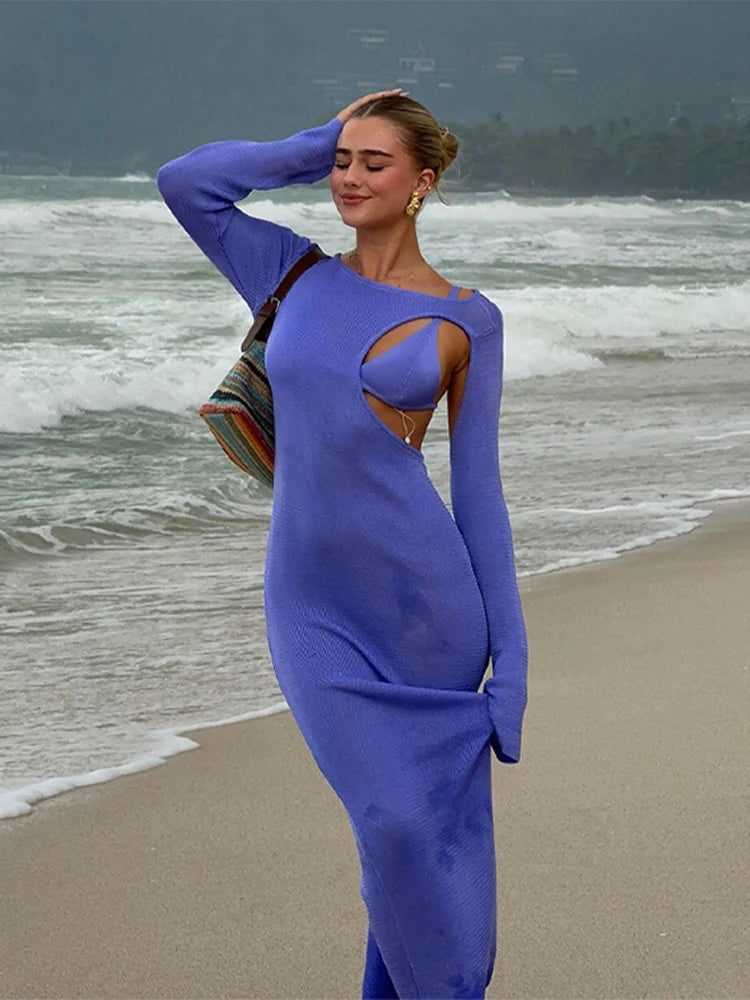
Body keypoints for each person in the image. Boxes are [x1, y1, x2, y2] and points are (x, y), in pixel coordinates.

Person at [157, 90, 528, 1000]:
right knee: (393, 820)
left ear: (423, 183)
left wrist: (511, 659)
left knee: (409, 835)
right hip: (314, 606)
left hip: (431, 614)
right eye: (343, 162)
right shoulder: (292, 274)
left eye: (376, 162)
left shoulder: (470, 318)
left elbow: (478, 494)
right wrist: (315, 139)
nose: (350, 178)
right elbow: (188, 184)